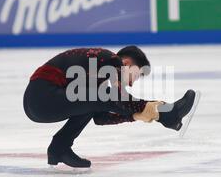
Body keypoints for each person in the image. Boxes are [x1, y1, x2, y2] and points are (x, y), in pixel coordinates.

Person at [23, 45, 196, 168]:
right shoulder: (112, 60)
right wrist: (150, 109)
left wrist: (135, 116)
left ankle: (59, 149)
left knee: (93, 100)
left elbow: (101, 117)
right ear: (127, 63)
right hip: (42, 97)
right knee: (97, 96)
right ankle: (168, 113)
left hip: (38, 103)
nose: (134, 81)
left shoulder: (97, 75)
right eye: (138, 74)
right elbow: (118, 99)